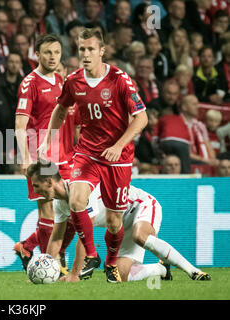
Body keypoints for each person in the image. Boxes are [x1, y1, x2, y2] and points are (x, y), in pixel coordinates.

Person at [40, 28, 148, 283]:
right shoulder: (74, 81)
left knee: (113, 222)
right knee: (77, 201)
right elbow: (60, 108)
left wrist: (119, 145)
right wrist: (47, 141)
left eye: (90, 49)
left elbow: (142, 118)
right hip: (87, 152)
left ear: (102, 51)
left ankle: (111, 262)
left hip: (117, 158)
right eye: (81, 50)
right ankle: (91, 254)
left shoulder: (121, 80)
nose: (85, 54)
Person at [26, 161, 211, 282]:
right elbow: (56, 239)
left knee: (141, 236)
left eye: (36, 185)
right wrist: (47, 265)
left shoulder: (80, 188)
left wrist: (74, 274)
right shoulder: (59, 203)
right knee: (121, 275)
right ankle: (161, 269)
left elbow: (86, 233)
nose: (35, 190)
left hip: (140, 205)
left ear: (49, 181)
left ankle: (193, 271)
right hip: (120, 225)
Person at [14, 34, 77, 270]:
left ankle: (29, 246)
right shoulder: (29, 83)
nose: (52, 57)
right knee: (47, 207)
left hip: (65, 153)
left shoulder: (62, 81)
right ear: (37, 54)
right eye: (48, 52)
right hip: (39, 153)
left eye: (57, 52)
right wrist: (26, 158)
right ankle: (50, 263)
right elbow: (20, 126)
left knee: (74, 205)